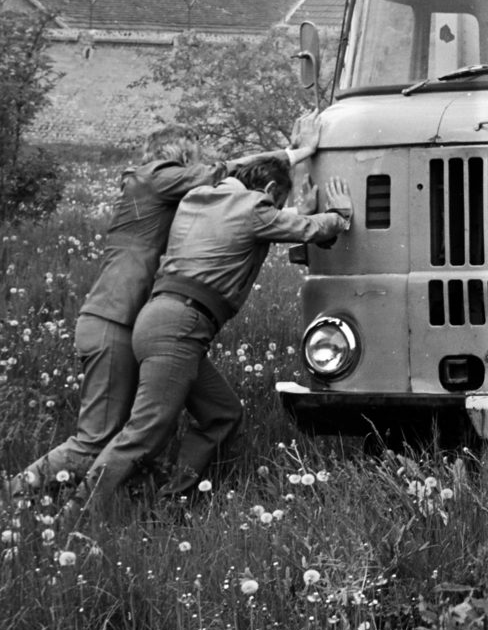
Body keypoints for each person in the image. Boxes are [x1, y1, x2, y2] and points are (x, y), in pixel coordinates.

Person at [14, 121, 319, 495]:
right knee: (97, 438)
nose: (202, 167)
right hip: (115, 317)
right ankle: (18, 496)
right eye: (195, 157)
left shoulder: (170, 195)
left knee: (206, 413)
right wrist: (293, 153)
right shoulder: (153, 178)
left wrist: (292, 177)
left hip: (140, 319)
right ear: (178, 156)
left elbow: (241, 195)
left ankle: (158, 497)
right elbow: (224, 171)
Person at [76, 157, 352, 510]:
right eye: (275, 201)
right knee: (144, 432)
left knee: (222, 413)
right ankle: (80, 512)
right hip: (182, 327)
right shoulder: (252, 206)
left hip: (157, 320)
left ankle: (172, 502)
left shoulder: (197, 199)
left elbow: (258, 227)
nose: (272, 209)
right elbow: (306, 229)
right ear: (267, 190)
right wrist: (339, 216)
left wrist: (300, 211)